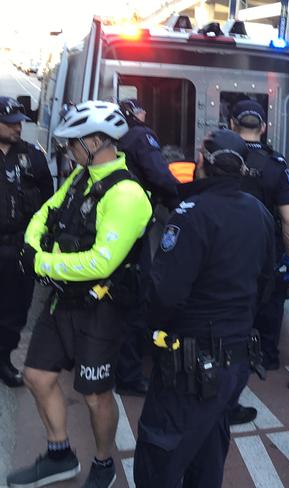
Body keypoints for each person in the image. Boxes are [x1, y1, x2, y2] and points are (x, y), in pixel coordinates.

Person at [7, 100, 152, 488]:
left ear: (99, 140)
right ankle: (60, 456)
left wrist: (40, 263)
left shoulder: (127, 195)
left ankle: (103, 464)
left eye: (74, 141)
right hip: (63, 301)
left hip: (100, 310)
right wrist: (32, 241)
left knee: (95, 395)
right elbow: (46, 211)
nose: (68, 147)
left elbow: (101, 262)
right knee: (37, 376)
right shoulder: (80, 176)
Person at [133, 129, 275, 488]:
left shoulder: (190, 213)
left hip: (190, 367)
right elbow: (267, 284)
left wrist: (148, 330)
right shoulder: (259, 212)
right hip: (235, 360)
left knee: (158, 458)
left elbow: (165, 294)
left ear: (202, 161)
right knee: (209, 449)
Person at [228, 100, 289, 424]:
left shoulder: (222, 158)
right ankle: (266, 356)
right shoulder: (276, 165)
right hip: (263, 251)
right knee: (269, 304)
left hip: (224, 251)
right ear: (265, 127)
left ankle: (228, 357)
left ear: (231, 124)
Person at [114, 98, 179, 396]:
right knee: (138, 298)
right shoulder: (141, 135)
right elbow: (159, 176)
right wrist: (180, 201)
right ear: (135, 114)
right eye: (141, 111)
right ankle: (129, 374)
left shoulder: (112, 137)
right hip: (134, 226)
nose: (145, 114)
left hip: (113, 223)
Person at [0, 96, 53, 387]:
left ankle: (3, 359)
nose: (17, 127)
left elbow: (48, 199)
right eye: (10, 123)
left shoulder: (33, 156)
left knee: (15, 310)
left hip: (19, 248)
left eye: (19, 122)